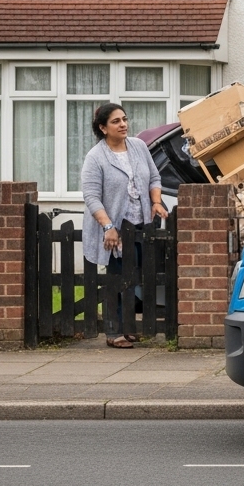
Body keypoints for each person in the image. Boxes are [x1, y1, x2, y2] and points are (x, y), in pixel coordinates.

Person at [80, 103, 168, 349]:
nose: (123, 125)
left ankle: (128, 327)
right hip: (114, 229)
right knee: (116, 280)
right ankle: (113, 330)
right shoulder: (96, 157)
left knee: (135, 277)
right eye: (116, 121)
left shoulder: (139, 147)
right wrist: (108, 226)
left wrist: (156, 201)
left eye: (125, 119)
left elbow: (154, 177)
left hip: (140, 226)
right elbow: (91, 196)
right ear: (103, 128)